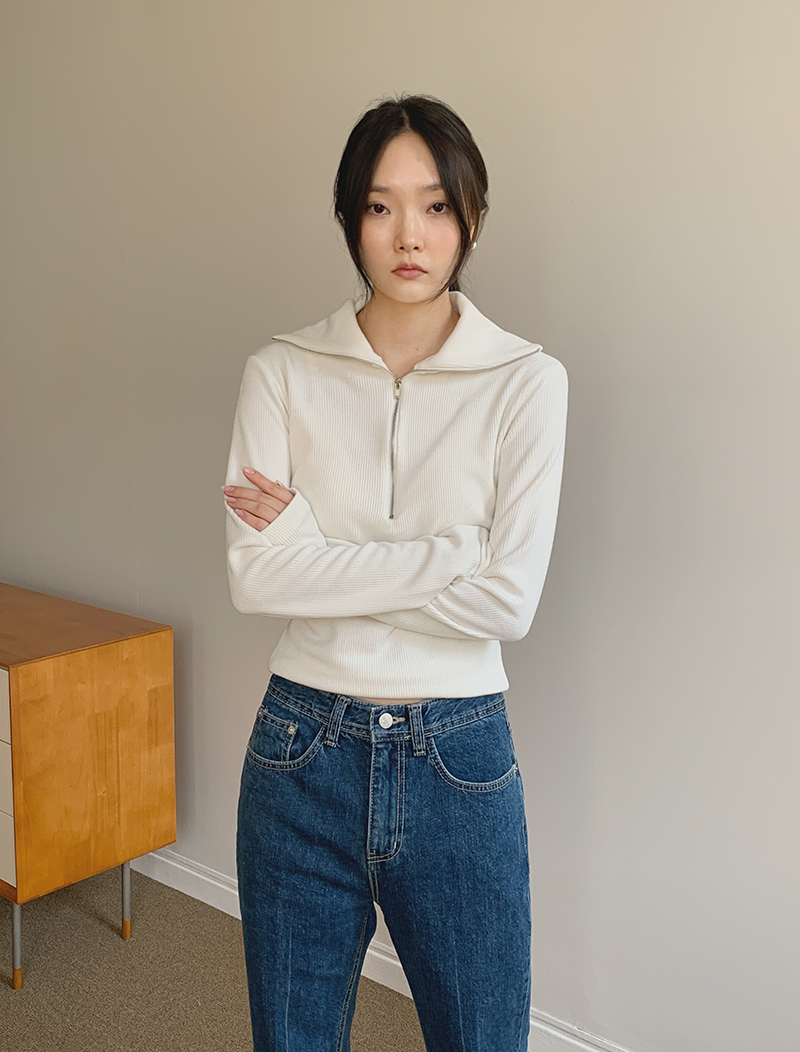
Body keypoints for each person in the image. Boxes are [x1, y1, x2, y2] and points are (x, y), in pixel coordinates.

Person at [222, 93, 568, 1052]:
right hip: (299, 750)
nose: (408, 234)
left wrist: (316, 550)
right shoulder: (280, 372)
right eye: (380, 206)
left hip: (460, 756)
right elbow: (257, 581)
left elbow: (509, 602)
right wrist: (452, 552)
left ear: (471, 217)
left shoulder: (528, 382)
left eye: (435, 206)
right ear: (349, 218)